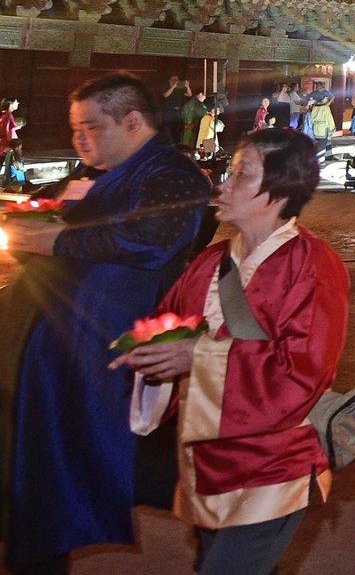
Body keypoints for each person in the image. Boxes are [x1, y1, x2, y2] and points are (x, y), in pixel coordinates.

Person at [0, 73, 211, 574]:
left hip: (109, 367)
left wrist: (54, 240)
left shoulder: (172, 176)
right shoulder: (90, 175)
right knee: (40, 480)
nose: (79, 140)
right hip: (47, 365)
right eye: (75, 129)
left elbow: (153, 237)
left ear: (133, 121)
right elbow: (40, 213)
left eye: (90, 127)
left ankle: (240, 555)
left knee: (150, 473)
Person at [114, 128, 348, 575]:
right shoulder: (209, 261)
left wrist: (195, 357)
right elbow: (168, 327)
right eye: (230, 171)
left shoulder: (314, 265)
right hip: (204, 464)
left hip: (272, 468)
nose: (223, 183)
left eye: (242, 174)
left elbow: (303, 372)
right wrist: (144, 354)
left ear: (281, 188)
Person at [161, 78, 189, 143]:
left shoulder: (180, 89)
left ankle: (177, 142)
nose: (175, 81)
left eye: (176, 80)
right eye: (173, 79)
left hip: (178, 111)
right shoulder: (167, 88)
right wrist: (173, 87)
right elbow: (165, 95)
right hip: (169, 111)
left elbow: (189, 94)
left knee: (178, 128)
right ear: (169, 80)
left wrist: (187, 86)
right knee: (169, 128)